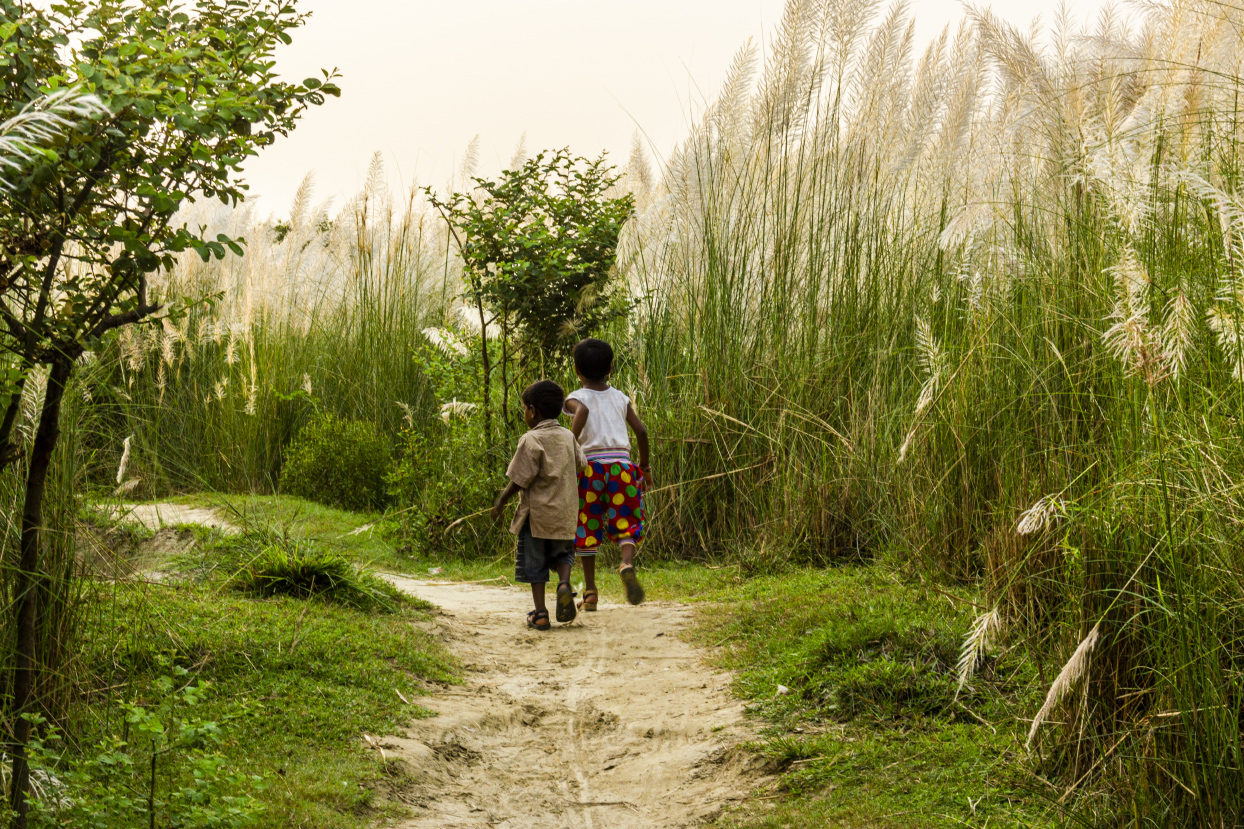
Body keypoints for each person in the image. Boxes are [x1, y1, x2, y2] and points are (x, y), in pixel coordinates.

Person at [493, 379, 588, 631]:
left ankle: (541, 613)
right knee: (564, 554)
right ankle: (564, 584)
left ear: (533, 411)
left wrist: (502, 500)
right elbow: (582, 463)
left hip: (537, 516)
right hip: (565, 514)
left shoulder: (531, 439)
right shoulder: (568, 437)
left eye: (524, 408)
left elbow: (519, 478)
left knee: (534, 564)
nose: (525, 413)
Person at [562, 338, 650, 608]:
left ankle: (590, 592)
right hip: (622, 469)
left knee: (587, 524)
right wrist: (644, 468)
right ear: (610, 368)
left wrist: (570, 444)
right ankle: (626, 563)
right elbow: (642, 432)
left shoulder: (576, 398)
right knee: (626, 522)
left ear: (577, 370)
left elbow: (581, 414)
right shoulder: (620, 397)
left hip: (590, 470)